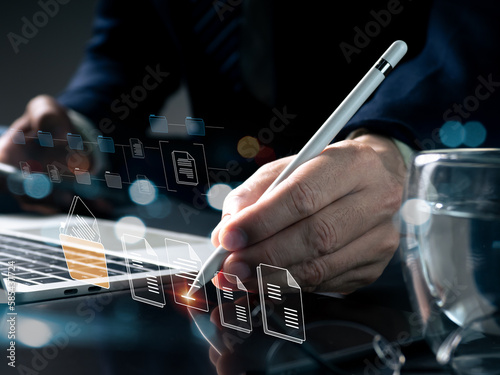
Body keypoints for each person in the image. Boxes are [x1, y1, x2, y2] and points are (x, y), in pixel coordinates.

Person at [1, 0, 499, 295]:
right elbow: (130, 42)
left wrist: (396, 146)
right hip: (221, 220)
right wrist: (78, 127)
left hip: (415, 254)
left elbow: (476, 27)